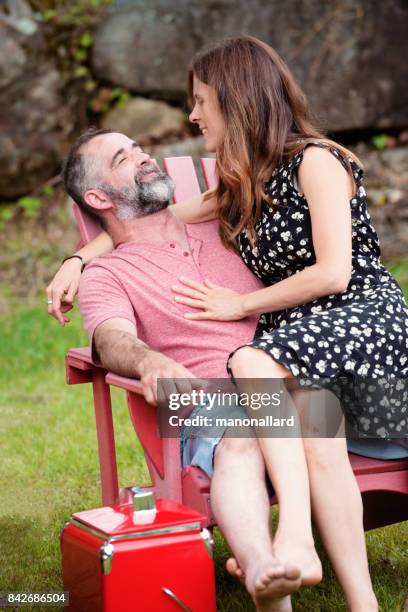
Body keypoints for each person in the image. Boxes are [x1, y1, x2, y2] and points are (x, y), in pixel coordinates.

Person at [46, 34, 408, 610]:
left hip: (312, 364)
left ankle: (298, 554)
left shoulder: (249, 203)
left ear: (235, 103)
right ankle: (269, 569)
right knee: (250, 431)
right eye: (124, 157)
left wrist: (241, 307)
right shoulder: (117, 271)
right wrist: (87, 264)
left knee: (294, 399)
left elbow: (332, 271)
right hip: (230, 392)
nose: (147, 154)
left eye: (140, 147)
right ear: (99, 196)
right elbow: (110, 335)